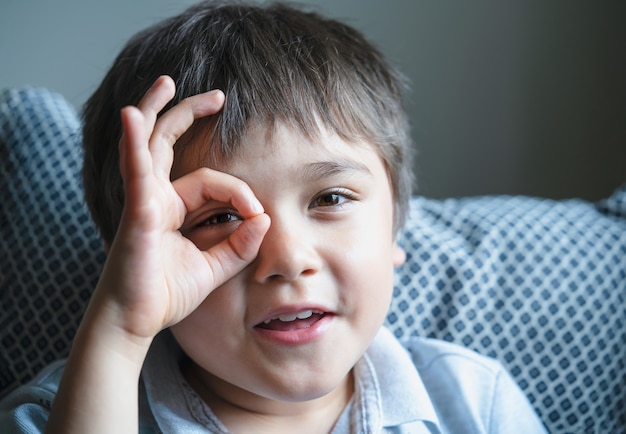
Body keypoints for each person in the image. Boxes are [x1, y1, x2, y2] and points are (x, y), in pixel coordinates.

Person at [0, 1, 547, 432]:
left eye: (330, 199)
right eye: (217, 218)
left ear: (395, 229)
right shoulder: (57, 417)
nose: (286, 260)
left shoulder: (476, 404)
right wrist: (120, 324)